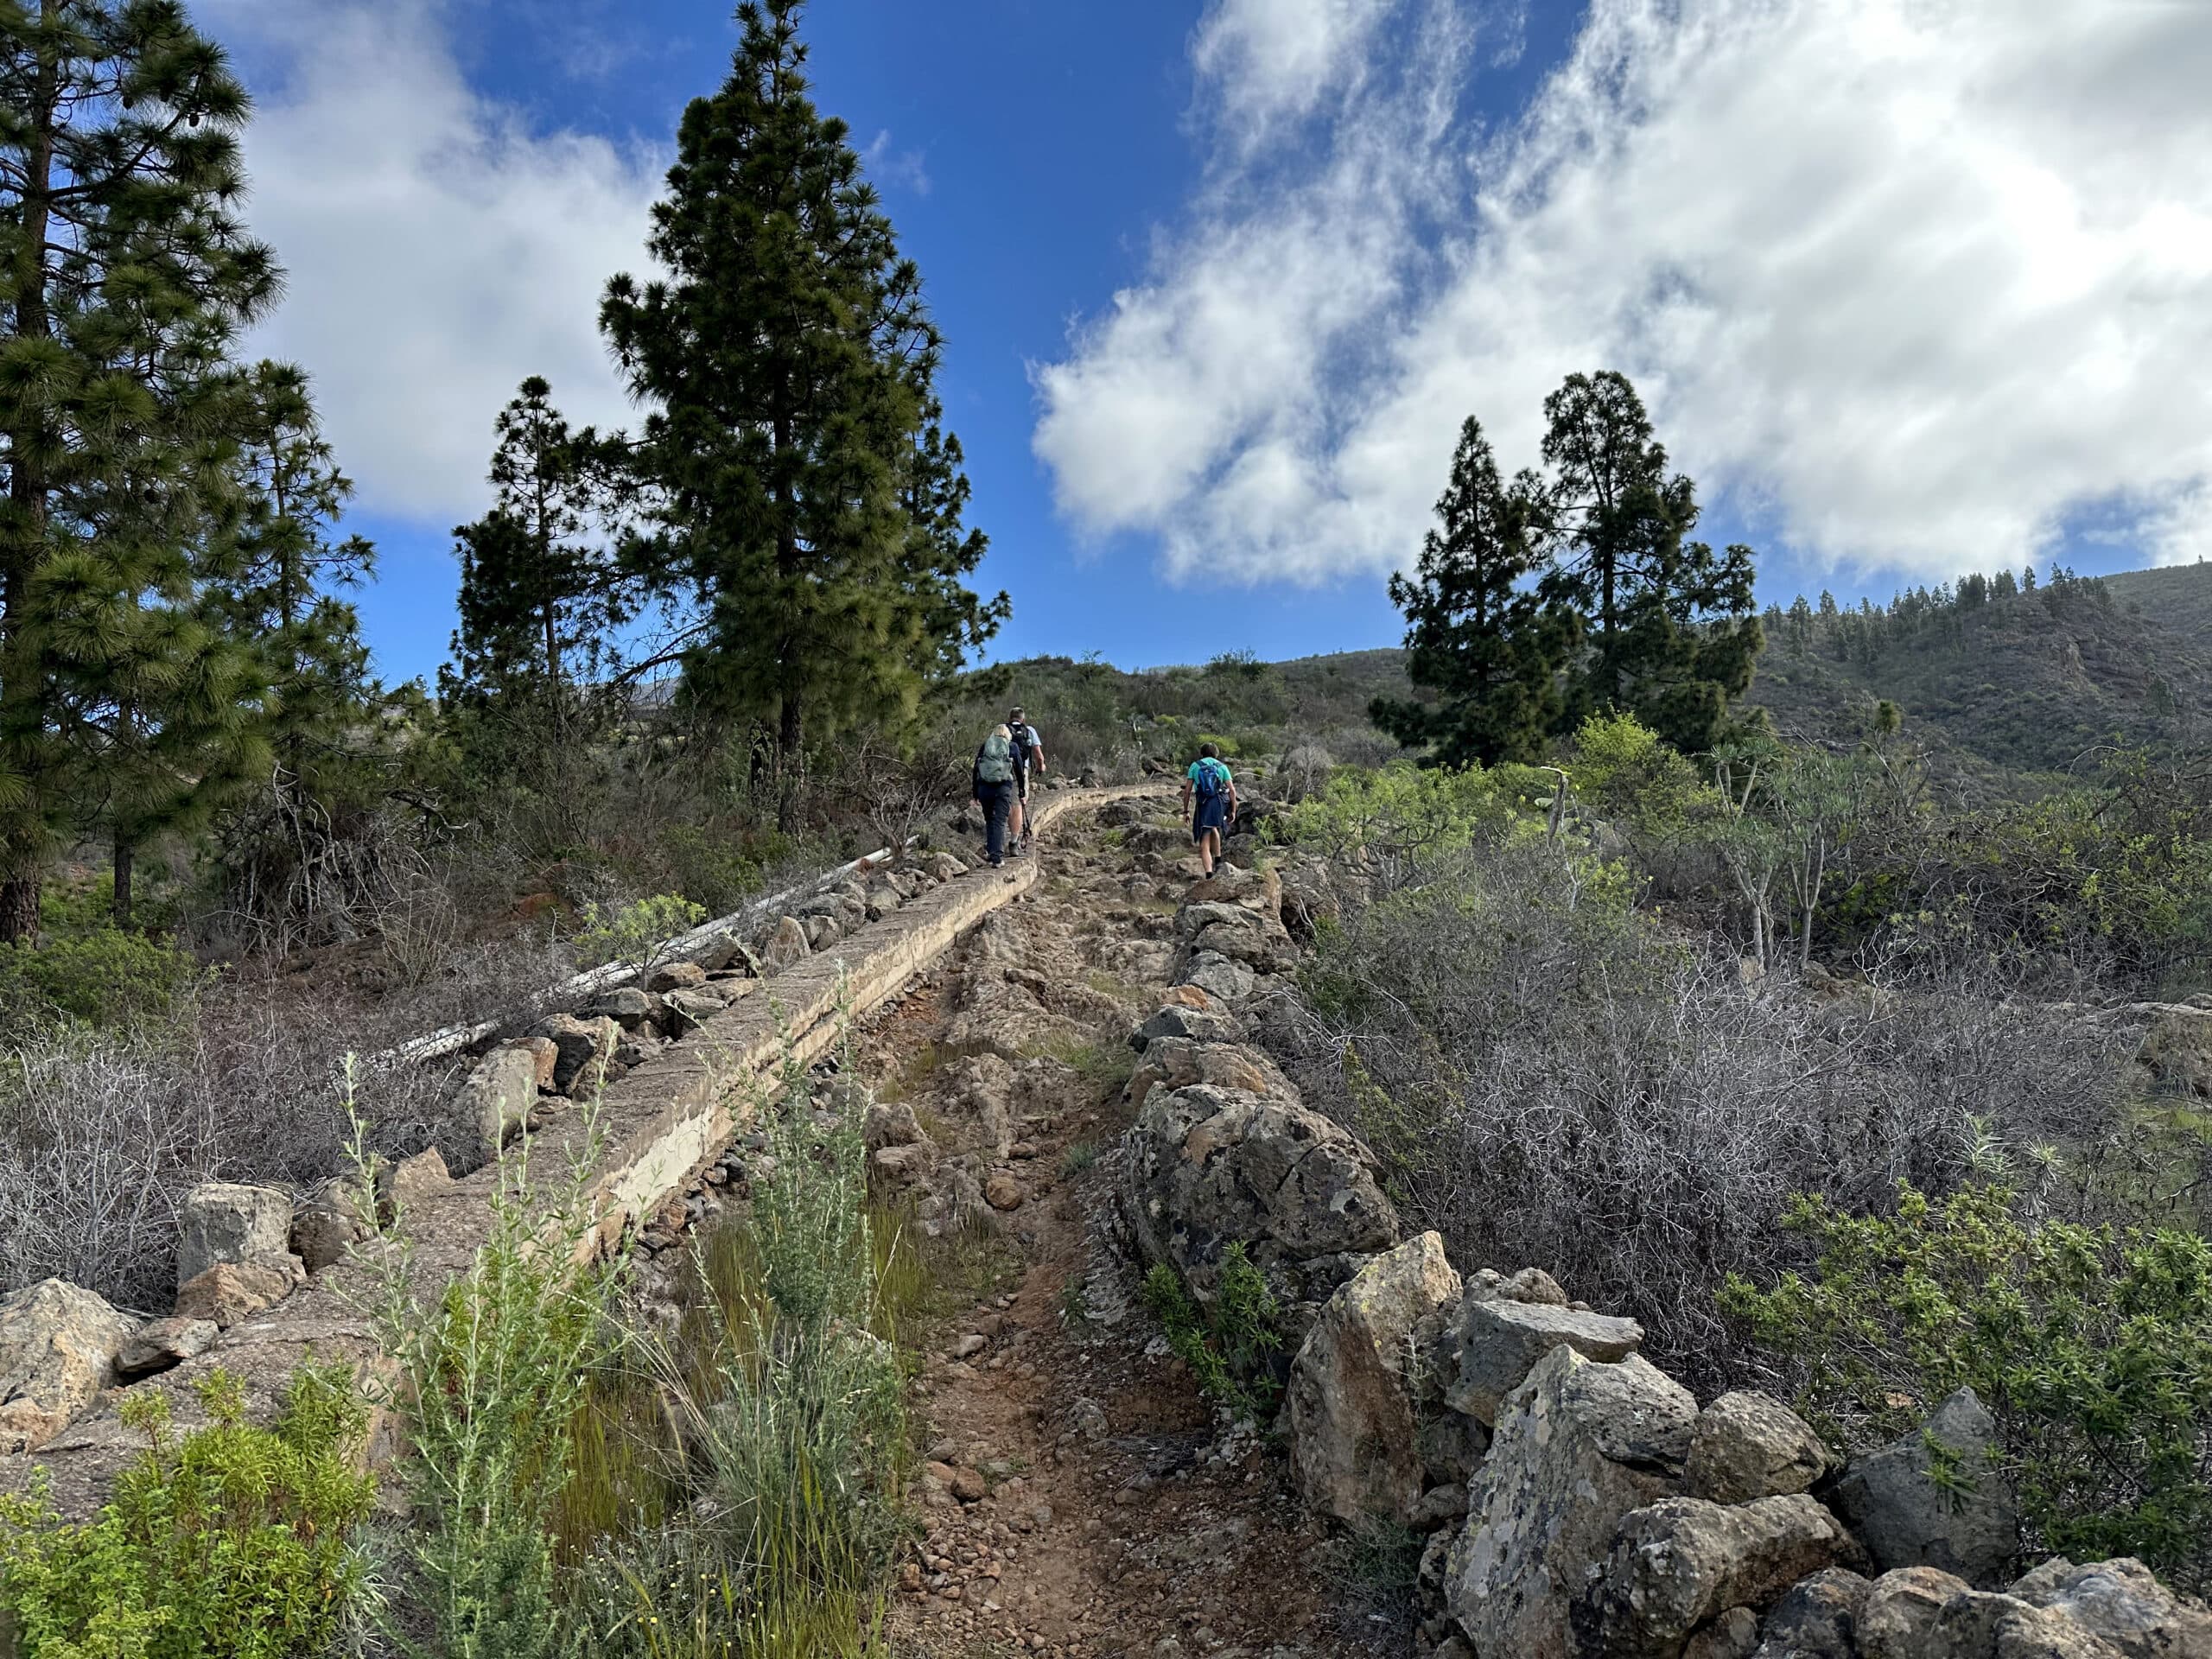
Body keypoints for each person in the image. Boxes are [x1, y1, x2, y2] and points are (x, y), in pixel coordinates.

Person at [1182, 741, 1237, 877]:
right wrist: (1233, 810)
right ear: (1216, 754)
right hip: (1218, 804)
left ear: (1201, 754)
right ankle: (1218, 860)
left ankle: (1208, 873)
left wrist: (1186, 811)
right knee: (1214, 827)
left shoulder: (1195, 766)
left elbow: (1187, 791)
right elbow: (1232, 790)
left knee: (1204, 840)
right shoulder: (1222, 767)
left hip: (1203, 804)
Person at [973, 723, 1018, 868]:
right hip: (1002, 788)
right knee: (999, 821)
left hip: (984, 788)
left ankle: (992, 854)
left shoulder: (986, 745)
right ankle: (997, 858)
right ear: (1008, 735)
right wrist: (1021, 791)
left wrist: (975, 792)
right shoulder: (1012, 747)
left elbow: (976, 769)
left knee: (990, 820)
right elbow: (1018, 769)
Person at [1006, 705, 1046, 849]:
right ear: (1023, 719)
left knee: (1006, 802)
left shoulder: (1002, 729)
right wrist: (1041, 767)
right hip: (1020, 771)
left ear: (1009, 718)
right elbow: (1038, 755)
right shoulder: (1029, 731)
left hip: (1000, 770)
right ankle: (1014, 841)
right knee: (1017, 804)